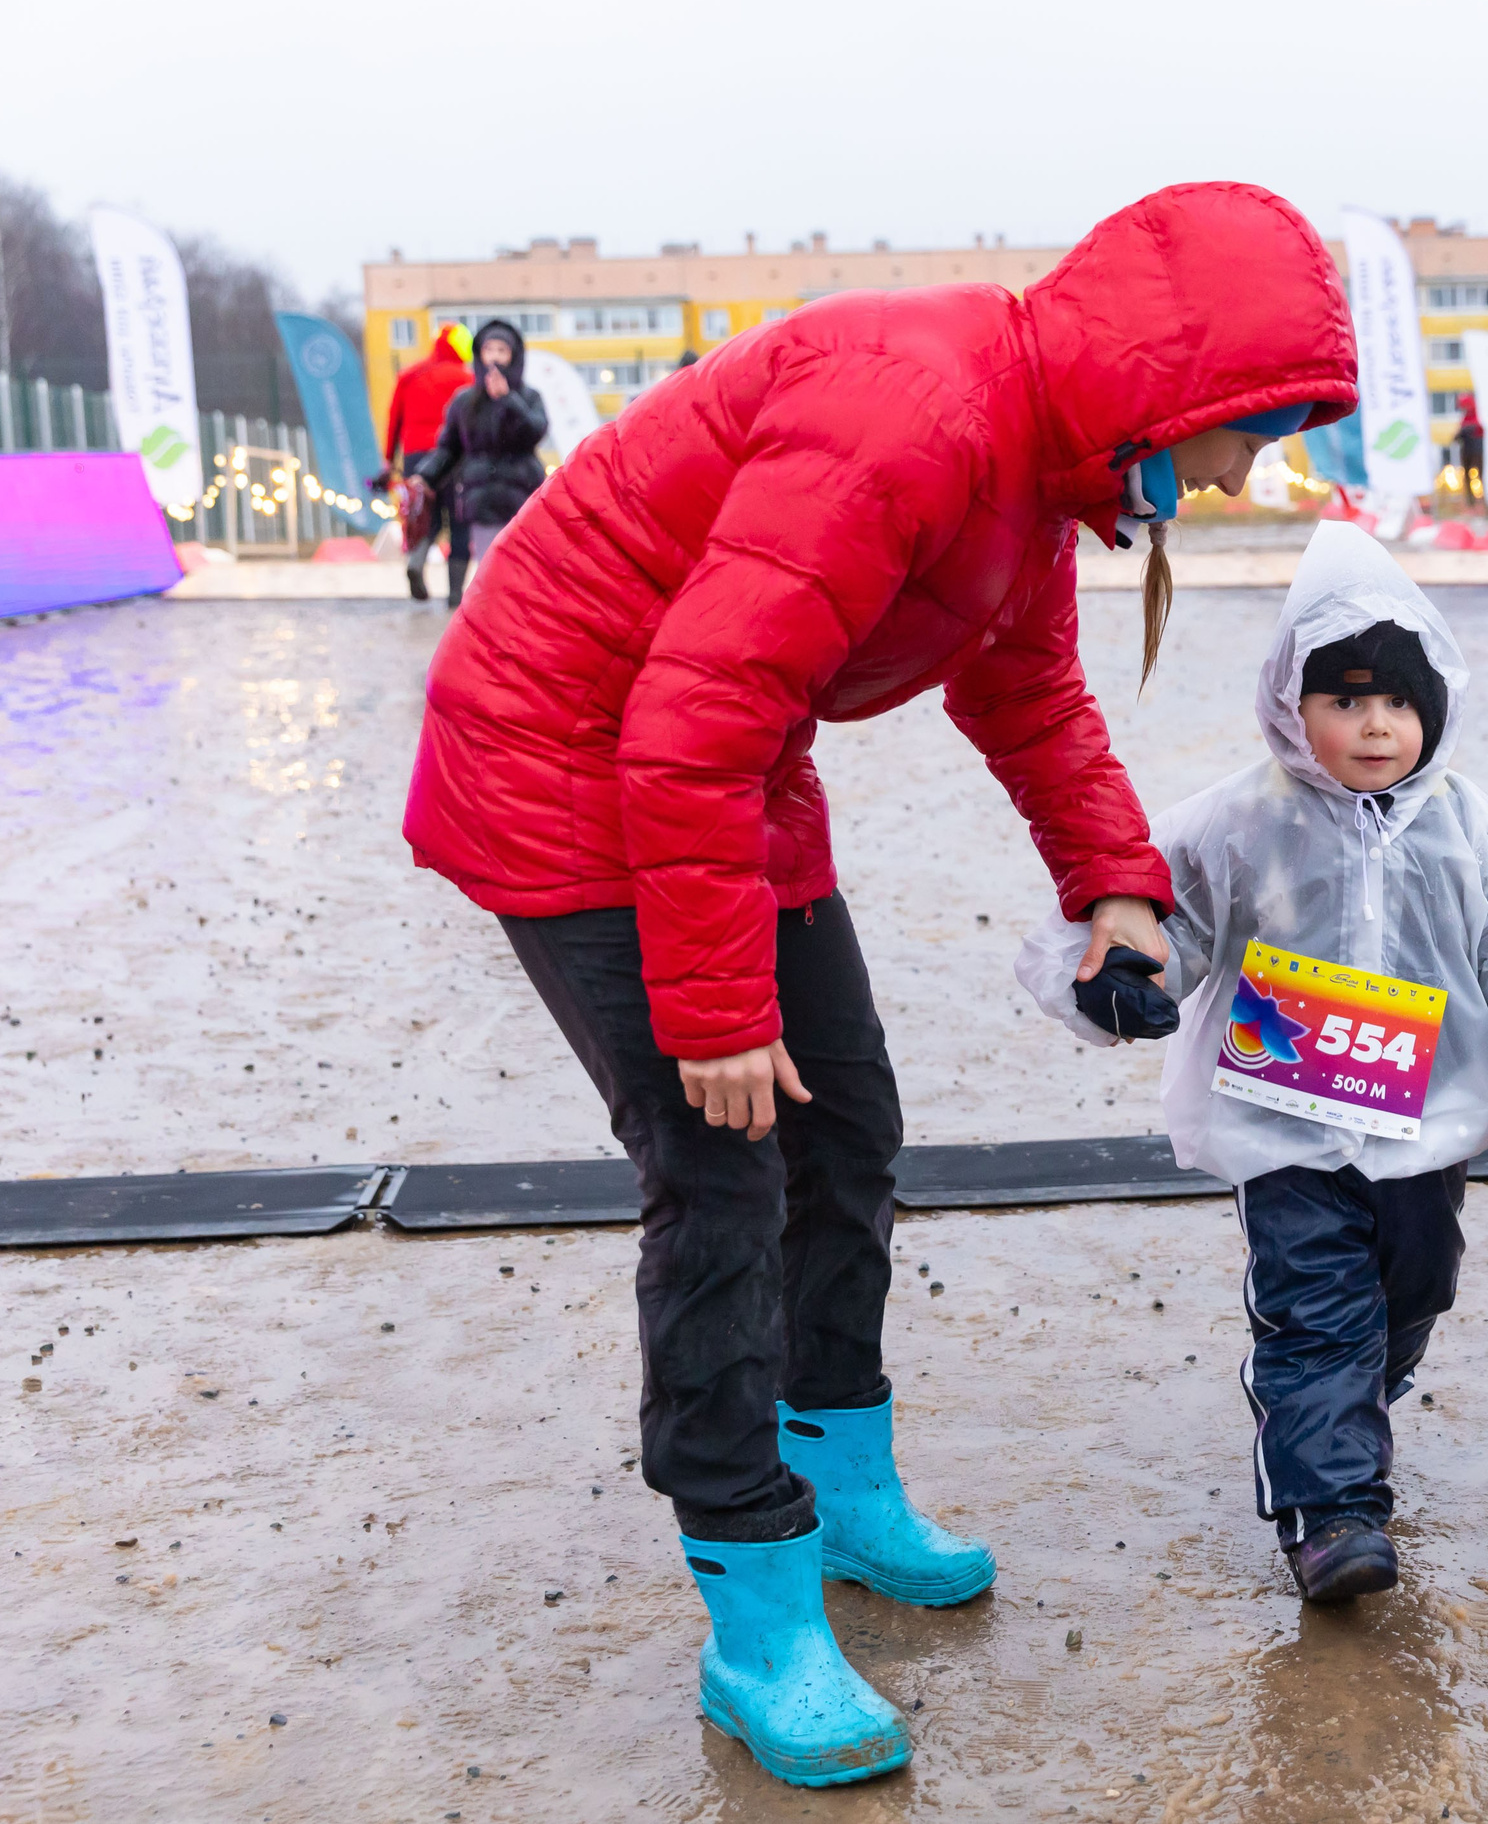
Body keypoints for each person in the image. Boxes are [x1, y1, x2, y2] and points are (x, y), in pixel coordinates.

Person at [400, 182, 1355, 1789]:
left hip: (722, 762)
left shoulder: (1034, 467)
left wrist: (1119, 891)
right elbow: (688, 718)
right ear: (1168, 386)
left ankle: (842, 1483)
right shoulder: (910, 420)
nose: (1236, 477)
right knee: (722, 1169)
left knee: (846, 1130)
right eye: (1243, 436)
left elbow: (1030, 696)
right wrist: (717, 1016)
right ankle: (755, 1610)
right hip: (566, 755)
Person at [1018, 521, 1488, 1604]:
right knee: (1313, 1311)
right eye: (1345, 699)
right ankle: (1332, 1512)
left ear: (1434, 708)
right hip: (1285, 1129)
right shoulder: (1238, 820)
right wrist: (1113, 980)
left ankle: (1355, 1398)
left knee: (1415, 1284)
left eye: (1397, 700)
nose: (1376, 724)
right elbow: (1153, 912)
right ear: (1288, 703)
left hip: (1420, 1131)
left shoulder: (1471, 830)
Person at [415, 319, 548, 607]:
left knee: (524, 566)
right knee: (492, 567)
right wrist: (425, 476)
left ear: (514, 355)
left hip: (522, 494)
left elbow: (535, 432)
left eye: (502, 350)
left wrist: (508, 400)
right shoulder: (465, 401)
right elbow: (449, 448)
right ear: (479, 355)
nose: (495, 357)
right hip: (482, 496)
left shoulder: (529, 397)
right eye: (489, 350)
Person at [381, 322, 472, 600]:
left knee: (423, 518)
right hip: (456, 458)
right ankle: (455, 594)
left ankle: (416, 563)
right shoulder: (467, 379)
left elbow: (394, 419)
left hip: (415, 458)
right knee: (459, 522)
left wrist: (389, 459)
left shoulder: (410, 376)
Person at [1452, 391, 1484, 511]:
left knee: (1480, 476)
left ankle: (1481, 500)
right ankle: (1471, 501)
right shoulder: (1466, 419)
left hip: (1477, 452)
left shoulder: (1477, 417)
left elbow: (1476, 429)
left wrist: (1463, 432)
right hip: (1467, 451)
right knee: (1468, 477)